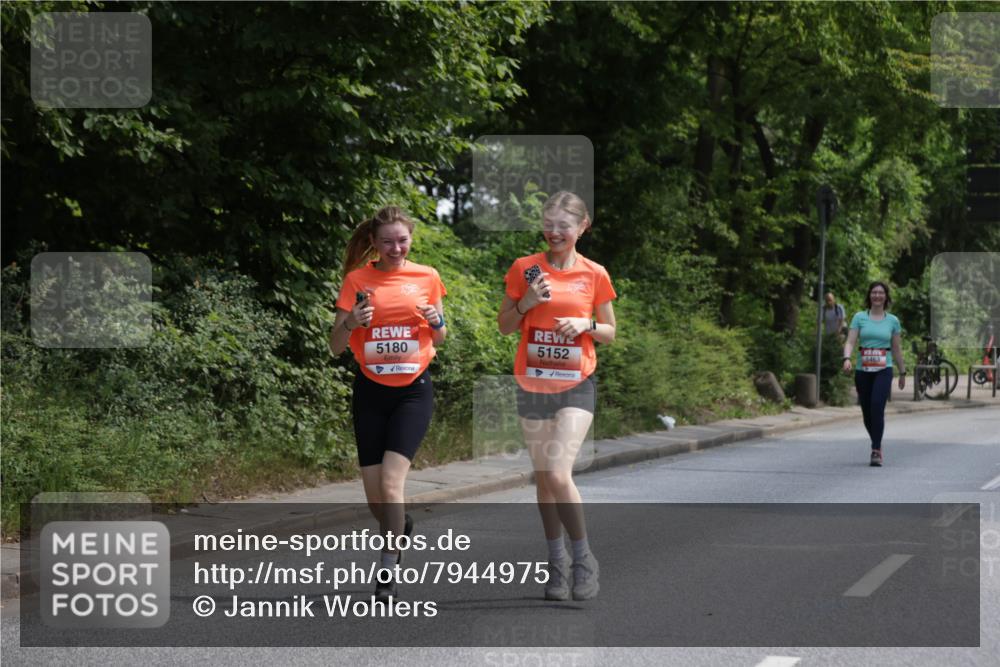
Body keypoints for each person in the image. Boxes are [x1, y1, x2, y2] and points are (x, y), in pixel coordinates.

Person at [497, 191, 617, 601]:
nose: (554, 231)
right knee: (545, 479)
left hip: (575, 383)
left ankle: (584, 559)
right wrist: (526, 303)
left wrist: (584, 324)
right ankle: (556, 561)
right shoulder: (525, 269)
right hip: (531, 383)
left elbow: (610, 331)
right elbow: (505, 326)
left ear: (583, 227)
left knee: (560, 473)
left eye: (563, 225)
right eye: (548, 224)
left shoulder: (594, 273)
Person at [329, 205, 447, 602]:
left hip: (414, 390)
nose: (396, 248)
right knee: (376, 496)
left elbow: (441, 337)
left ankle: (386, 567)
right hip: (370, 391)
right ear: (374, 244)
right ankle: (399, 527)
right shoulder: (357, 280)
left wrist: (436, 322)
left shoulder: (427, 277)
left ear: (411, 238)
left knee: (393, 483)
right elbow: (334, 347)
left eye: (402, 240)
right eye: (387, 242)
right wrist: (351, 323)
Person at [841, 281, 906, 467]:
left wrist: (902, 372)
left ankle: (876, 449)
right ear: (869, 296)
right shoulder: (860, 317)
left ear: (886, 297)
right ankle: (876, 439)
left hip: (884, 369)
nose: (877, 296)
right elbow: (850, 341)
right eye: (874, 292)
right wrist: (846, 358)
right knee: (867, 412)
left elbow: (896, 348)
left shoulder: (893, 321)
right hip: (863, 370)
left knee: (877, 406)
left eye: (881, 293)